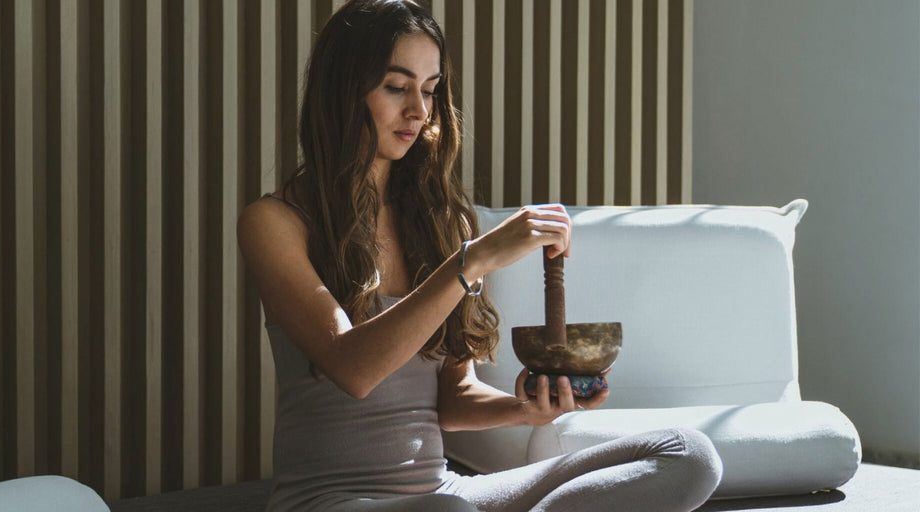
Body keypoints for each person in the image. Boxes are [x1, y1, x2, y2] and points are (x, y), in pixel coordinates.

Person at [237, 1, 722, 510]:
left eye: (429, 90)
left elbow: (453, 397)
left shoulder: (440, 222)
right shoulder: (276, 222)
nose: (420, 111)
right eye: (396, 87)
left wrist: (527, 408)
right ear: (342, 91)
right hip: (329, 501)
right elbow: (353, 369)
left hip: (443, 494)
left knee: (687, 453)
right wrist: (471, 262)